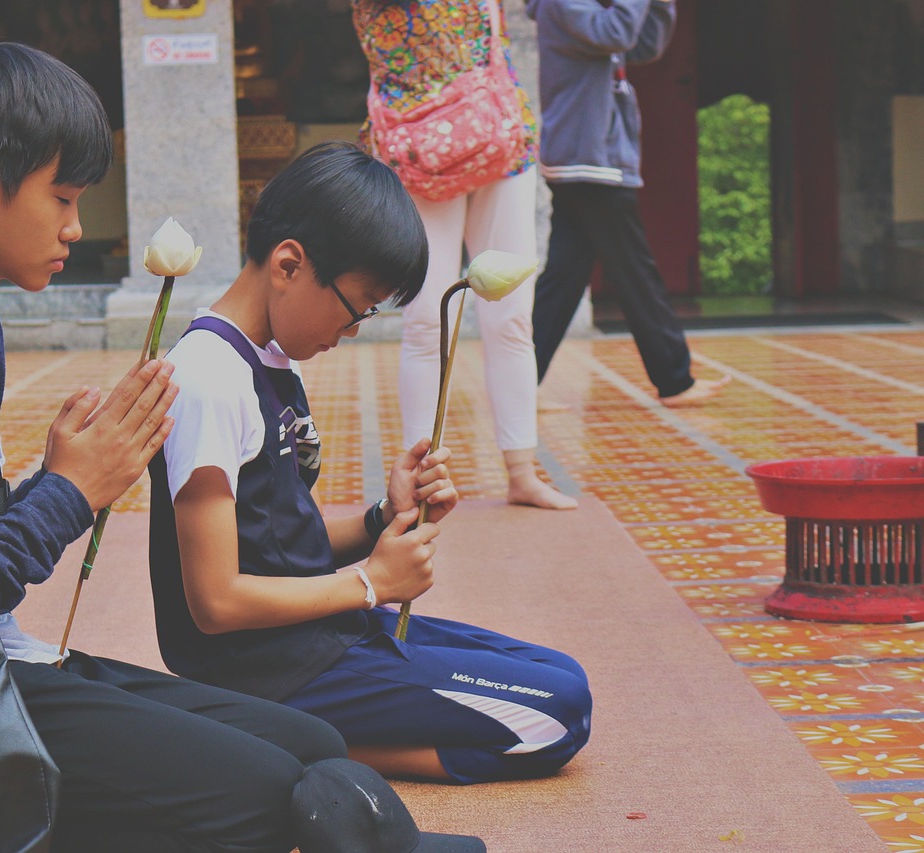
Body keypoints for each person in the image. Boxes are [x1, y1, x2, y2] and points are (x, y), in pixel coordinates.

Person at [0, 45, 482, 851]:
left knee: (310, 744)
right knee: (270, 794)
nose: (76, 226)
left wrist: (45, 486)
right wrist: (66, 494)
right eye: (62, 197)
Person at [149, 142, 592, 786]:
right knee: (554, 717)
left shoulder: (267, 360)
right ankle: (284, 741)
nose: (352, 330)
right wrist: (371, 584)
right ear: (289, 265)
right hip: (266, 670)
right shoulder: (210, 377)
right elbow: (215, 601)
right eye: (357, 306)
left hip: (318, 634)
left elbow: (278, 545)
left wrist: (386, 516)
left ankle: (291, 731)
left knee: (565, 678)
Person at [353, 0, 578, 510]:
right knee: (426, 319)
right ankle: (421, 479)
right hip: (419, 146)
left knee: (512, 317)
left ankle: (521, 470)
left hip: (497, 136)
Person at [527, 0, 729, 407]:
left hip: (585, 159)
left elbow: (643, 43)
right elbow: (617, 32)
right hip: (588, 159)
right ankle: (675, 380)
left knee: (563, 280)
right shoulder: (564, 2)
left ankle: (519, 380)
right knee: (636, 271)